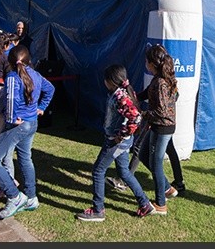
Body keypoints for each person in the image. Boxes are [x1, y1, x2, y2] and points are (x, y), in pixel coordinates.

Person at [0, 43, 55, 220]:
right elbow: (50, 89)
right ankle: (31, 197)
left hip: (18, 125)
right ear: (29, 59)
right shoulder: (36, 75)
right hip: (31, 123)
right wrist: (41, 107)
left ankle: (15, 197)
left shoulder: (12, 77)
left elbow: (11, 100)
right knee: (25, 159)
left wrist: (11, 119)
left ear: (9, 61)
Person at [76, 64, 156, 221]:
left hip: (116, 142)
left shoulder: (121, 97)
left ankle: (98, 210)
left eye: (105, 80)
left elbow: (135, 117)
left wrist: (121, 135)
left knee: (98, 171)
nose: (104, 82)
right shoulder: (122, 92)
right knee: (124, 172)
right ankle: (145, 203)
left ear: (111, 81)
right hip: (122, 141)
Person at [135, 44, 179, 215]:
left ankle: (161, 204)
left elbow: (161, 111)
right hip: (161, 126)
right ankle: (167, 188)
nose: (145, 63)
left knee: (156, 163)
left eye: (146, 61)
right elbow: (145, 94)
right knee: (144, 155)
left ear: (152, 63)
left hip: (163, 127)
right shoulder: (159, 79)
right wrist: (131, 95)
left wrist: (143, 113)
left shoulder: (161, 82)